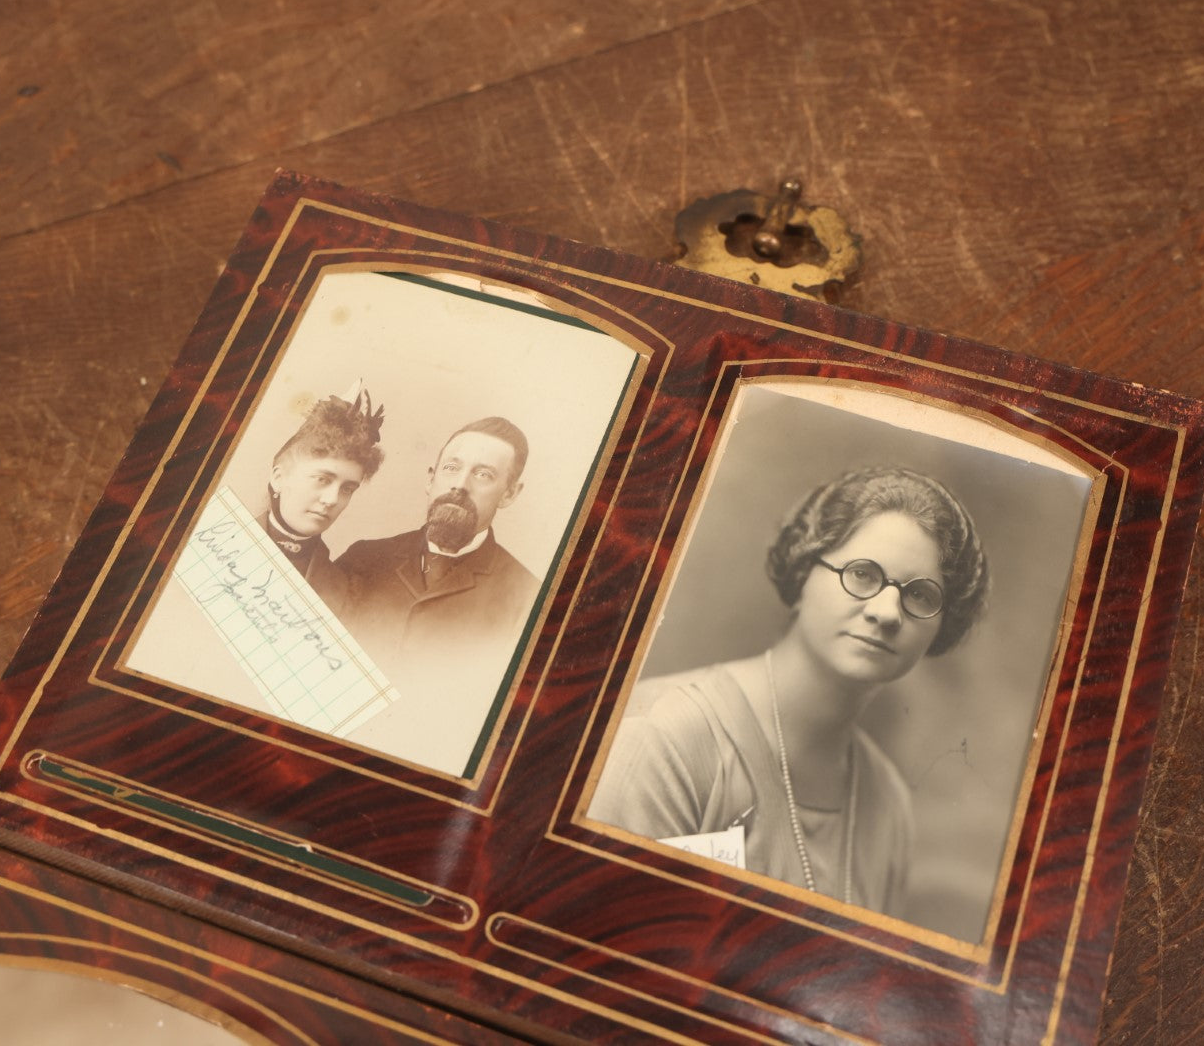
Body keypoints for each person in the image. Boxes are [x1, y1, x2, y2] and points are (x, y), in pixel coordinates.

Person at [590, 467, 988, 915]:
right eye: (862, 574)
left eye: (920, 595)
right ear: (803, 570)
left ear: (940, 627)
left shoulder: (889, 805)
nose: (886, 611)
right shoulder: (667, 738)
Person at [337, 416, 541, 691]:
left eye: (484, 475)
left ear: (509, 494)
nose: (460, 485)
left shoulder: (527, 599)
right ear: (430, 479)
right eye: (451, 467)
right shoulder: (363, 558)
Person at [263, 383, 385, 614]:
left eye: (348, 489)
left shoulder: (345, 593)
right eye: (322, 479)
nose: (332, 499)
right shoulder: (208, 533)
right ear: (279, 477)